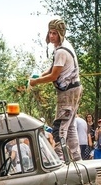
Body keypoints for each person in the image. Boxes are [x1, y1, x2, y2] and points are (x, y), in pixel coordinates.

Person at [29, 19, 82, 161]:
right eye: (50, 33)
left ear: (60, 34)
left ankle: (61, 159)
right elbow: (53, 69)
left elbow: (54, 75)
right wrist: (40, 75)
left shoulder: (61, 51)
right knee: (70, 126)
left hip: (68, 92)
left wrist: (36, 82)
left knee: (59, 128)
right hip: (74, 88)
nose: (52, 36)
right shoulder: (63, 47)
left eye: (55, 33)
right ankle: (76, 158)